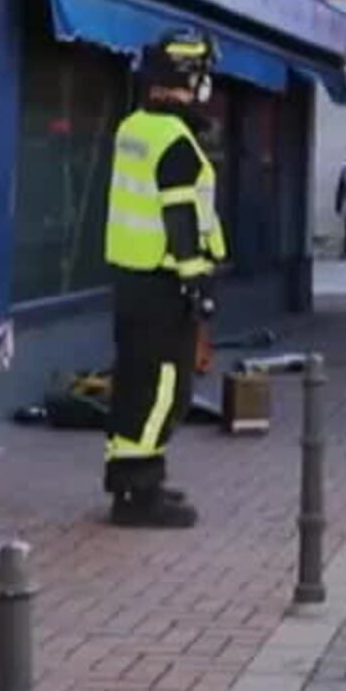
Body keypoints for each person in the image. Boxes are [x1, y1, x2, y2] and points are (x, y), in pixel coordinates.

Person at [101, 28, 226, 529]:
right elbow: (180, 220)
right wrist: (198, 283)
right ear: (186, 78)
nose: (205, 85)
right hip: (164, 281)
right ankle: (139, 495)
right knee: (163, 389)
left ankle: (132, 478)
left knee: (133, 381)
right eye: (201, 75)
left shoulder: (134, 127)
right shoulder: (176, 141)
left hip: (132, 278)